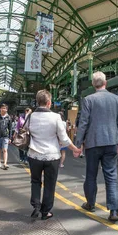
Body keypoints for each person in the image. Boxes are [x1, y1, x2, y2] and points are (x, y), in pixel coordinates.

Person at [75, 71, 118, 222]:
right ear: (105, 83)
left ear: (92, 84)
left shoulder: (88, 100)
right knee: (111, 177)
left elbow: (83, 123)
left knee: (91, 175)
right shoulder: (116, 99)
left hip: (93, 143)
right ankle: (114, 211)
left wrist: (78, 144)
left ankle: (90, 204)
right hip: (111, 142)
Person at [26, 90, 81, 220]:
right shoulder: (56, 117)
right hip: (52, 156)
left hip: (34, 155)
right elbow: (64, 139)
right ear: (49, 102)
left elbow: (25, 132)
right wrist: (75, 149)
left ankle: (36, 205)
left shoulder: (30, 116)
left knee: (35, 181)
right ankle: (45, 212)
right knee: (50, 184)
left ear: (37, 101)